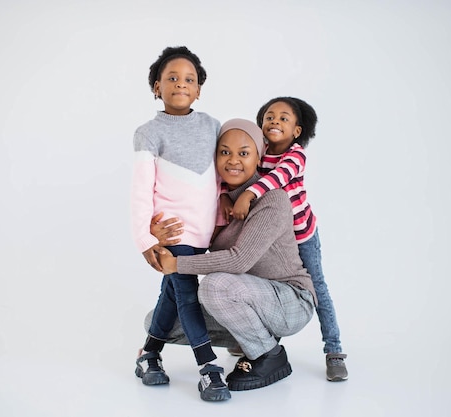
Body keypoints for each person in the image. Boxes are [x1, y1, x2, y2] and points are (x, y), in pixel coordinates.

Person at [154, 118, 317, 392]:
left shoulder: (272, 200)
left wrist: (178, 264)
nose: (233, 160)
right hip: (247, 300)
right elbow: (191, 243)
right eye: (225, 152)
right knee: (158, 322)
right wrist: (159, 235)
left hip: (292, 300)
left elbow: (239, 260)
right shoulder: (216, 202)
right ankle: (247, 339)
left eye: (244, 153)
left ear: (258, 157)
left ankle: (269, 355)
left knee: (215, 285)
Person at [221, 96, 348, 381]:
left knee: (317, 288)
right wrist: (223, 198)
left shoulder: (295, 154)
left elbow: (276, 178)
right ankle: (254, 338)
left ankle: (334, 350)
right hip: (271, 236)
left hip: (301, 235)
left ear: (297, 131)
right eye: (269, 116)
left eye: (283, 118)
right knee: (266, 284)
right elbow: (233, 170)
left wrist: (248, 195)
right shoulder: (258, 149)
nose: (274, 121)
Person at [129, 46, 230, 402]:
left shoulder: (212, 126)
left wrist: (220, 223)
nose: (180, 84)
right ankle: (208, 367)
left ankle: (149, 354)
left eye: (189, 79)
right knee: (186, 291)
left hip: (204, 230)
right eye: (171, 78)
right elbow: (141, 192)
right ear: (157, 87)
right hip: (171, 230)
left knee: (170, 294)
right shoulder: (148, 132)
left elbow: (218, 182)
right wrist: (145, 239)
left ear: (199, 89)